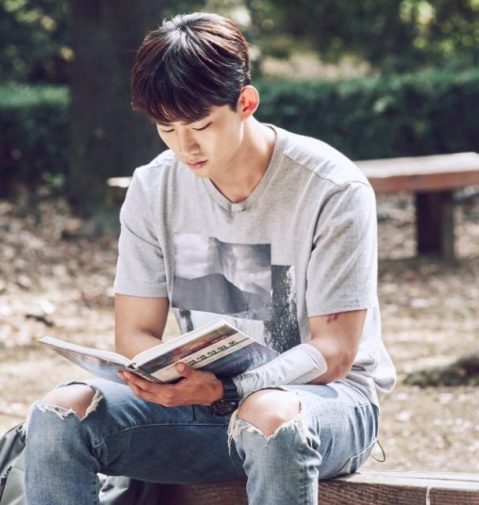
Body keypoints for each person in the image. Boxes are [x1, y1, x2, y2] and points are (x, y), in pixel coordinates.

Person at [23, 12, 395, 505]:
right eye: (167, 128)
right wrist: (166, 380)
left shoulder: (332, 189)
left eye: (201, 125)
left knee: (269, 418)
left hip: (327, 404)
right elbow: (135, 332)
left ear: (246, 103)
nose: (185, 147)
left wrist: (232, 390)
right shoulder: (153, 188)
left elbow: (335, 352)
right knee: (59, 413)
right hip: (200, 408)